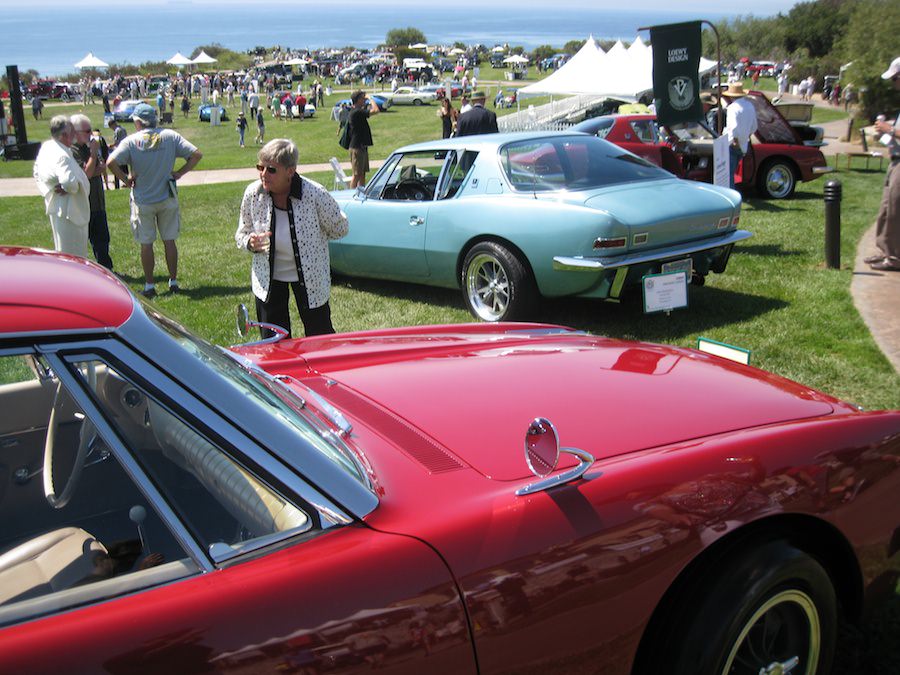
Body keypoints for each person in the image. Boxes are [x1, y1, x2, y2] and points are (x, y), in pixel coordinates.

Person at [235, 138, 348, 338]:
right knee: (273, 341)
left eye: (271, 170)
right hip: (267, 279)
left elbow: (340, 227)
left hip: (311, 279)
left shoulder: (314, 193)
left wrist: (319, 236)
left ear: (290, 170)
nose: (263, 174)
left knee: (319, 336)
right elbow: (241, 233)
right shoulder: (253, 194)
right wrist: (249, 243)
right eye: (260, 167)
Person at [107, 103, 203, 298]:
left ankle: (150, 284)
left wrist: (126, 180)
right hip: (167, 196)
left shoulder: (131, 141)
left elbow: (111, 163)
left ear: (138, 122)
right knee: (170, 240)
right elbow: (196, 154)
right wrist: (179, 173)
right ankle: (173, 280)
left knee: (146, 243)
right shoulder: (170, 136)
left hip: (143, 199)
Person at [32, 115, 90, 257]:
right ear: (64, 135)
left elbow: (36, 171)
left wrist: (48, 189)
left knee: (63, 249)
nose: (75, 135)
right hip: (70, 211)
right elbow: (70, 183)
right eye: (72, 132)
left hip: (59, 208)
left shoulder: (48, 146)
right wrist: (68, 187)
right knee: (74, 254)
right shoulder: (61, 155)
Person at [864, 57, 900, 272]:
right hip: (895, 161)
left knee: (896, 211)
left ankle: (894, 257)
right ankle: (886, 250)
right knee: (887, 210)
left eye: (895, 79)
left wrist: (890, 130)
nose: (893, 84)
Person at [70, 114, 113, 270]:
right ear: (75, 132)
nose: (91, 134)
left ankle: (107, 271)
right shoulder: (72, 151)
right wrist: (93, 156)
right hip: (83, 205)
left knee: (102, 240)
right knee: (81, 244)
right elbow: (85, 174)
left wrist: (95, 164)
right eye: (87, 131)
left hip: (98, 203)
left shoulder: (91, 146)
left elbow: (101, 167)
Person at [722, 83, 758, 190]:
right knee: (731, 173)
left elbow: (732, 127)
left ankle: (731, 199)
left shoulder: (732, 108)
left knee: (728, 175)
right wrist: (745, 136)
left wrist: (735, 141)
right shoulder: (750, 106)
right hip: (743, 144)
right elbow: (754, 126)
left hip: (732, 143)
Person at [347, 90, 379, 188]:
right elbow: (376, 110)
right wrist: (370, 99)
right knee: (356, 174)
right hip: (357, 148)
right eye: (362, 98)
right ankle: (350, 195)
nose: (364, 100)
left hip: (362, 147)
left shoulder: (358, 111)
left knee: (362, 174)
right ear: (357, 100)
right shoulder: (356, 112)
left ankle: (362, 193)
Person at [108, 119, 129, 190]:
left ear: (112, 125)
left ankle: (119, 182)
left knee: (117, 166)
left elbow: (117, 142)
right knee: (124, 167)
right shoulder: (123, 129)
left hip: (119, 150)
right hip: (125, 149)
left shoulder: (117, 130)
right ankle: (127, 180)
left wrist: (110, 145)